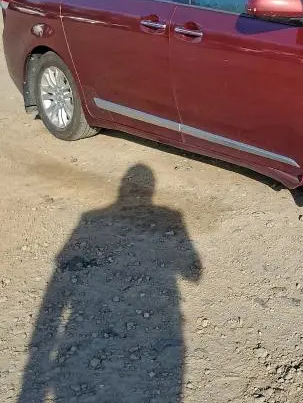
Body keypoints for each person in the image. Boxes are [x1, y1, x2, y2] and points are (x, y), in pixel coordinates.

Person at [18, 164, 202, 403]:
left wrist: (39, 347)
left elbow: (57, 282)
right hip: (157, 329)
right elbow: (194, 273)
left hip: (89, 328)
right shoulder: (171, 217)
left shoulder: (90, 219)